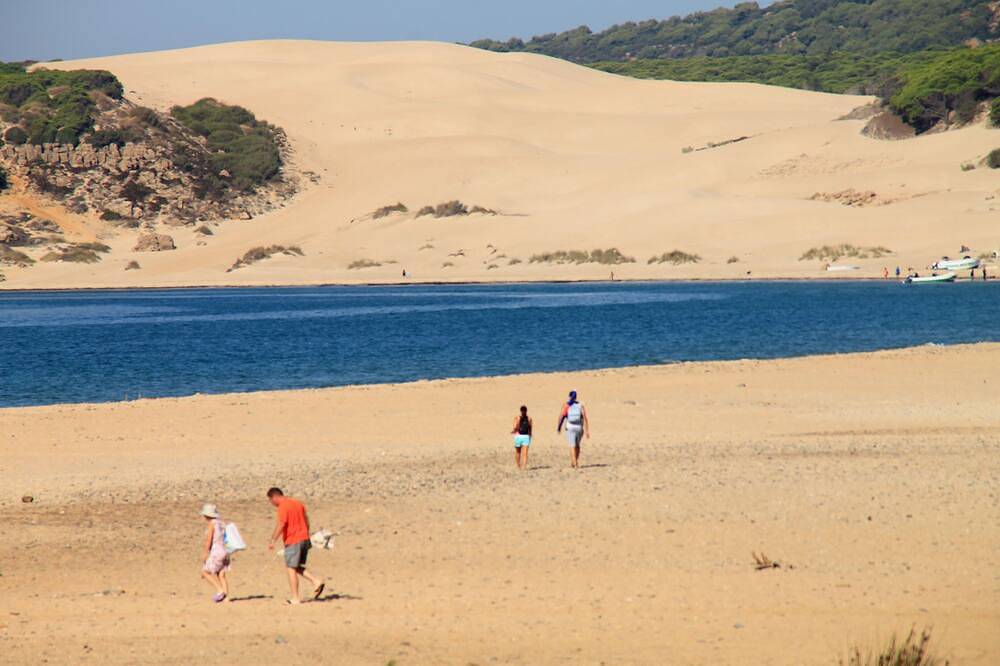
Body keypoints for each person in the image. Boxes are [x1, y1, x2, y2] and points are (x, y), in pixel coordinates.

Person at [267, 488, 325, 604]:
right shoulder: (297, 503)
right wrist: (306, 533)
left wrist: (273, 539)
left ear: (275, 497)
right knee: (296, 566)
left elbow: (281, 524)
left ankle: (295, 598)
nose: (271, 503)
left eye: (270, 500)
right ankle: (315, 581)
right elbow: (306, 519)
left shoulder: (283, 506)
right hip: (304, 538)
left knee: (291, 568)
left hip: (293, 540)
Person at [199, 503, 232, 603]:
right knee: (221, 574)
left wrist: (205, 553)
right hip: (225, 550)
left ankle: (220, 591)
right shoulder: (221, 523)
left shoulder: (212, 524)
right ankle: (226, 597)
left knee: (205, 572)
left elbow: (209, 540)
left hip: (216, 551)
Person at [557, 390, 589, 469]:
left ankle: (574, 463)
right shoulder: (580, 405)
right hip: (579, 427)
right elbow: (585, 418)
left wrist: (559, 427)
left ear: (569, 396)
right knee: (577, 446)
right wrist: (587, 430)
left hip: (570, 427)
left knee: (572, 445)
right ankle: (575, 461)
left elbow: (561, 416)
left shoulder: (566, 405)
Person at [510, 405, 533, 470]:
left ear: (520, 411)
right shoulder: (529, 418)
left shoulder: (517, 418)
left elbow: (515, 427)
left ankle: (519, 466)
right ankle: (524, 467)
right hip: (526, 436)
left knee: (518, 452)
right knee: (525, 453)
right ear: (526, 411)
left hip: (518, 436)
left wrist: (513, 431)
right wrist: (530, 436)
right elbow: (530, 428)